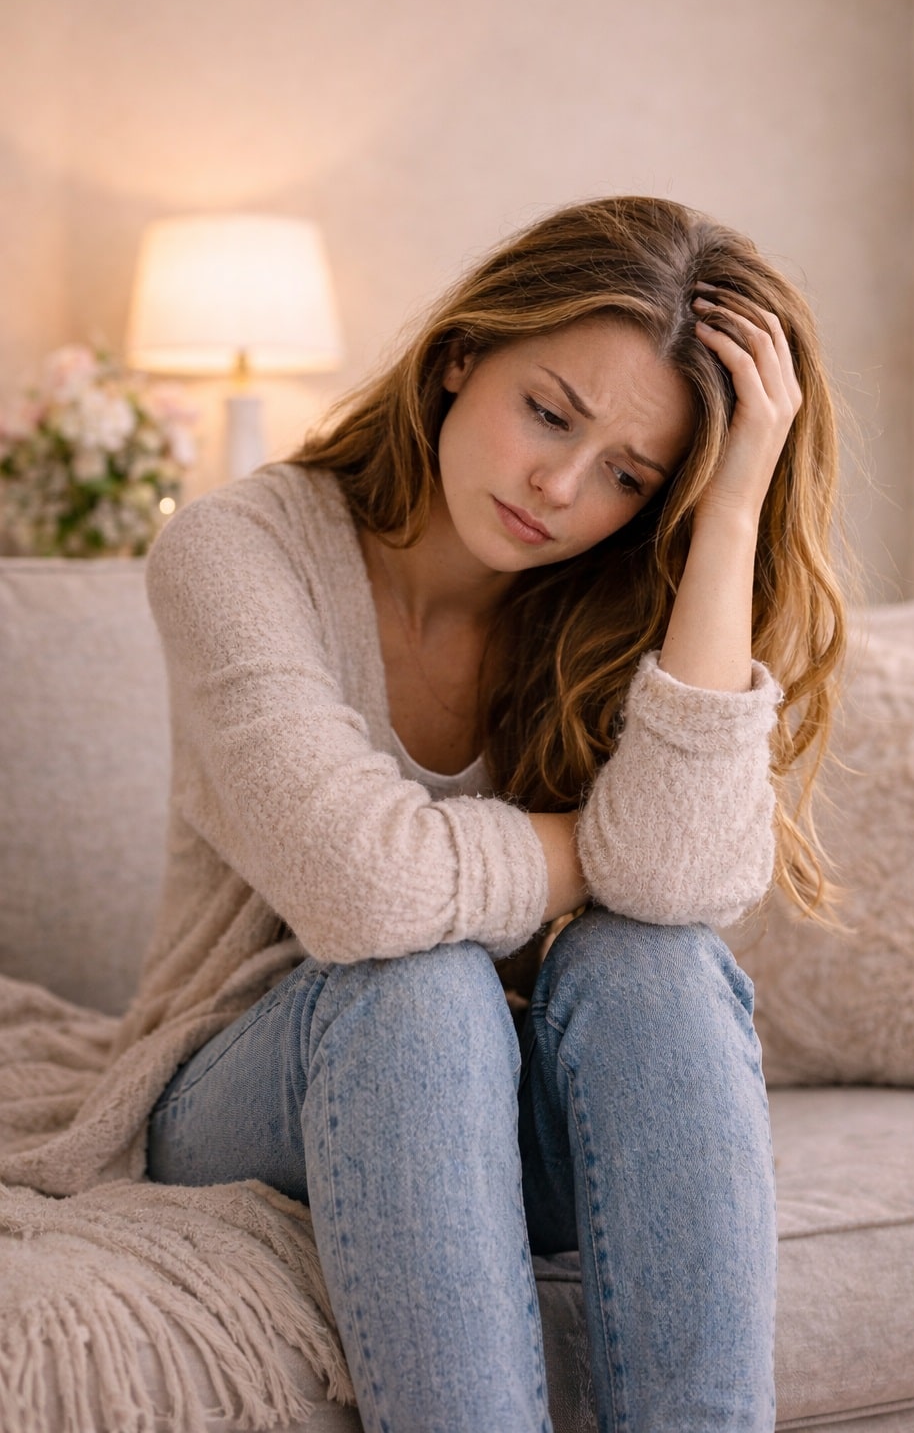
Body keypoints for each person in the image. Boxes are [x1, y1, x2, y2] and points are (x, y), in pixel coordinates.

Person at [143, 195, 846, 1433]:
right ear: (464, 353)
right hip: (253, 1085)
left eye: (627, 474)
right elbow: (365, 890)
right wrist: (601, 851)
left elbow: (676, 888)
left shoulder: (613, 602)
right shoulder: (234, 550)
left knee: (659, 967)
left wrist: (733, 502)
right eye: (547, 413)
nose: (559, 486)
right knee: (414, 985)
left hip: (515, 1105)